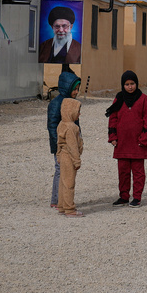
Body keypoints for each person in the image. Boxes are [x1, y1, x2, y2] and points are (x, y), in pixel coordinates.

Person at [105, 71, 147, 207]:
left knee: (138, 172)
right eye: (127, 84)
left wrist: (144, 139)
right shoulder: (119, 99)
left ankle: (137, 197)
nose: (130, 87)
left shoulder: (143, 99)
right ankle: (124, 196)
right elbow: (112, 118)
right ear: (122, 85)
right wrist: (113, 137)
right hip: (122, 143)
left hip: (138, 143)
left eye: (132, 84)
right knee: (123, 171)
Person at [46, 66, 81, 209]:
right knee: (61, 170)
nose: (76, 92)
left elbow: (76, 126)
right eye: (74, 89)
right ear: (67, 88)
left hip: (71, 145)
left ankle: (62, 200)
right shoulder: (56, 104)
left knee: (67, 172)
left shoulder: (71, 103)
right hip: (61, 146)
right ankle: (56, 200)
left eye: (78, 89)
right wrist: (57, 147)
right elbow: (52, 127)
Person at [56, 97, 84, 217]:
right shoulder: (71, 127)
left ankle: (62, 206)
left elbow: (58, 143)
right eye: (77, 111)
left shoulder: (61, 124)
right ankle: (69, 209)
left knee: (63, 181)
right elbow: (73, 146)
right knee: (69, 183)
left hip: (63, 156)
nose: (79, 114)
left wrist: (58, 155)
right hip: (69, 157)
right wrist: (77, 161)